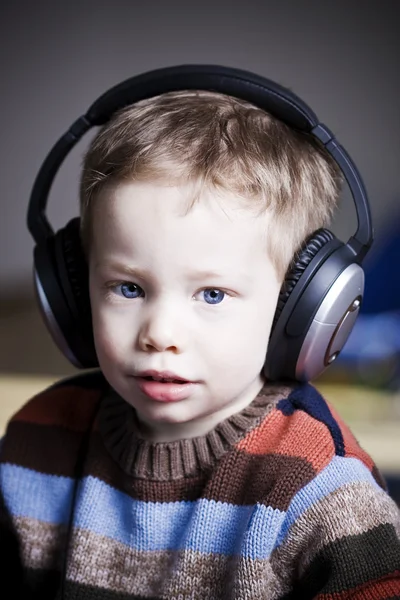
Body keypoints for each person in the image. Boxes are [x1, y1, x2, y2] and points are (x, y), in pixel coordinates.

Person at [1, 66, 400, 599]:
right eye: (128, 288)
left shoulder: (322, 488)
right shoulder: (39, 440)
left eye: (212, 295)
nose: (160, 334)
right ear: (75, 287)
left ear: (296, 311)